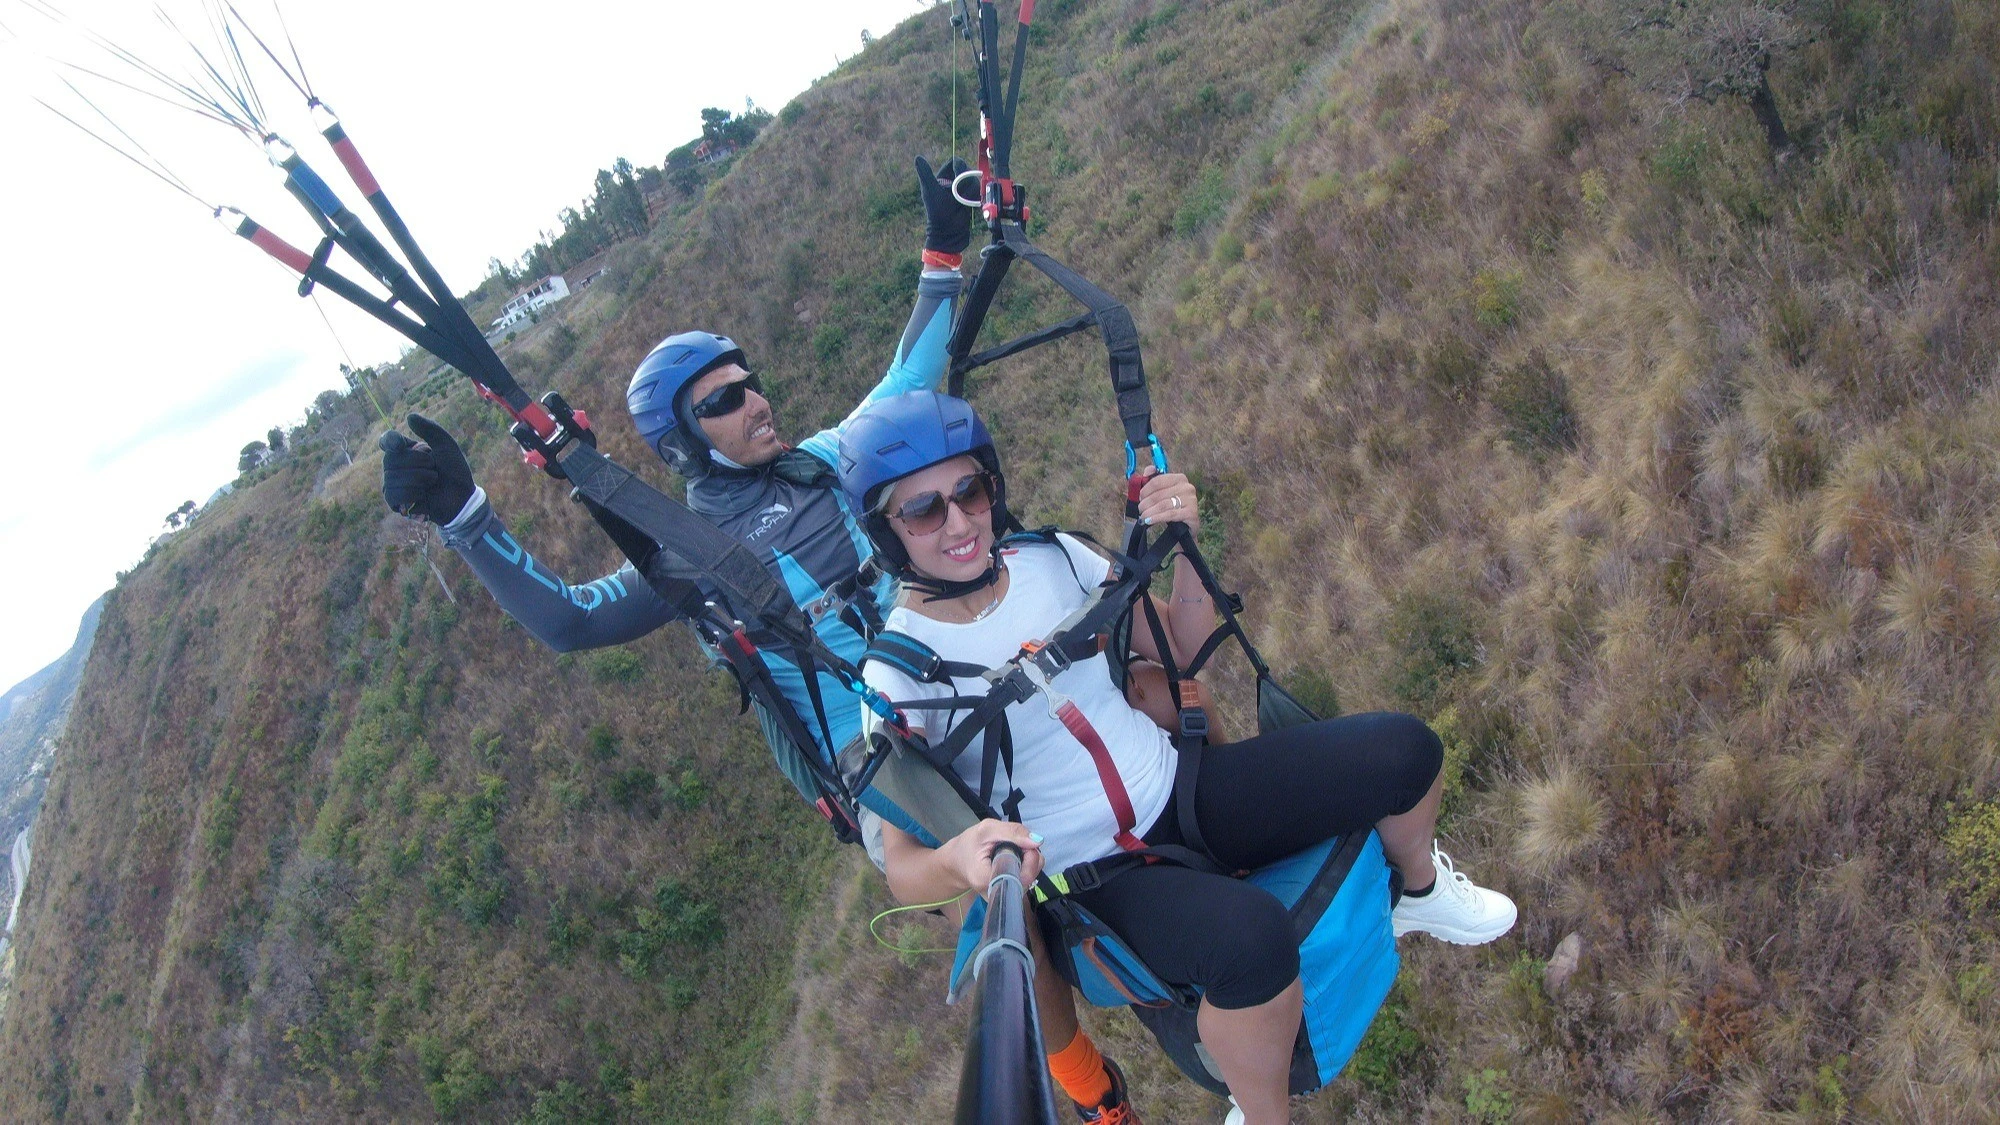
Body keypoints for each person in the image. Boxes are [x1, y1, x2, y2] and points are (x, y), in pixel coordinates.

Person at [838, 391, 1517, 1125]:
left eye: (970, 490)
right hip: (1095, 876)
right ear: (887, 531)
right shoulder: (898, 673)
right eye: (924, 510)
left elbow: (1181, 646)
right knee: (1253, 943)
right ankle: (1261, 1113)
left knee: (1404, 751)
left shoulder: (1055, 559)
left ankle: (1417, 892)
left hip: (1182, 789)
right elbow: (903, 861)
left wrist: (1184, 542)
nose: (960, 521)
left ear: (992, 486)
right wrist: (962, 858)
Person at [377, 157, 974, 843]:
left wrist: (942, 252)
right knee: (1009, 865)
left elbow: (910, 377)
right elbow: (571, 620)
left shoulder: (822, 459)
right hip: (871, 760)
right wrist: (463, 517)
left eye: (751, 383)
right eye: (724, 400)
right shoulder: (687, 553)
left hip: (946, 683)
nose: (757, 402)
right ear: (684, 441)